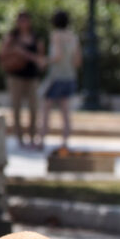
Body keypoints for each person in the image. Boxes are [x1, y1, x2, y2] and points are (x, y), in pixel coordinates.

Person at [0, 10, 46, 149]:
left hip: (32, 77)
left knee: (33, 108)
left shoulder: (36, 38)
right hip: (15, 77)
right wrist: (16, 51)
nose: (23, 23)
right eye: (21, 20)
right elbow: (2, 53)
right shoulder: (12, 37)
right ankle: (19, 138)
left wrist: (27, 55)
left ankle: (32, 137)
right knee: (17, 108)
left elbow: (40, 58)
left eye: (25, 20)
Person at [38, 10, 81, 152]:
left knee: (45, 110)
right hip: (70, 77)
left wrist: (45, 61)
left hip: (56, 77)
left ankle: (41, 141)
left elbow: (57, 55)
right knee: (66, 113)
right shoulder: (74, 37)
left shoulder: (55, 35)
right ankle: (65, 142)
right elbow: (77, 61)